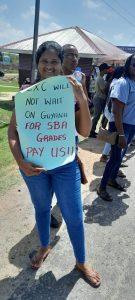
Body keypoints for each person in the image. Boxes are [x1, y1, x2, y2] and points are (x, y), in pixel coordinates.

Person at [8, 41, 100, 287]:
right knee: (41, 209)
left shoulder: (70, 93)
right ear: (38, 64)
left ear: (62, 64)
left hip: (65, 166)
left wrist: (81, 96)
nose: (49, 66)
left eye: (54, 61)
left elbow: (84, 131)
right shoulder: (27, 93)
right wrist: (20, 161)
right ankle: (44, 246)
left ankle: (81, 261)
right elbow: (12, 133)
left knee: (74, 216)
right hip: (33, 167)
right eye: (44, 61)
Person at [97, 54, 135, 202]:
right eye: (134, 64)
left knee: (120, 157)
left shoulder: (133, 83)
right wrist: (121, 135)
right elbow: (116, 112)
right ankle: (102, 187)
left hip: (130, 125)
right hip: (120, 126)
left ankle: (112, 179)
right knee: (114, 158)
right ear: (127, 66)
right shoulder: (122, 83)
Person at [100, 66, 124, 163]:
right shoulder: (118, 82)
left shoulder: (114, 81)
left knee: (112, 135)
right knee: (113, 135)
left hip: (109, 111)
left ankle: (107, 156)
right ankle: (106, 156)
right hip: (112, 112)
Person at [89, 63, 110, 138]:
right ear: (104, 70)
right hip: (99, 98)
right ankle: (91, 131)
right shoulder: (100, 78)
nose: (107, 70)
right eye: (106, 69)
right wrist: (108, 84)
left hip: (99, 98)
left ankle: (92, 130)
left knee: (97, 115)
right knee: (96, 115)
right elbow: (104, 90)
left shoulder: (101, 78)